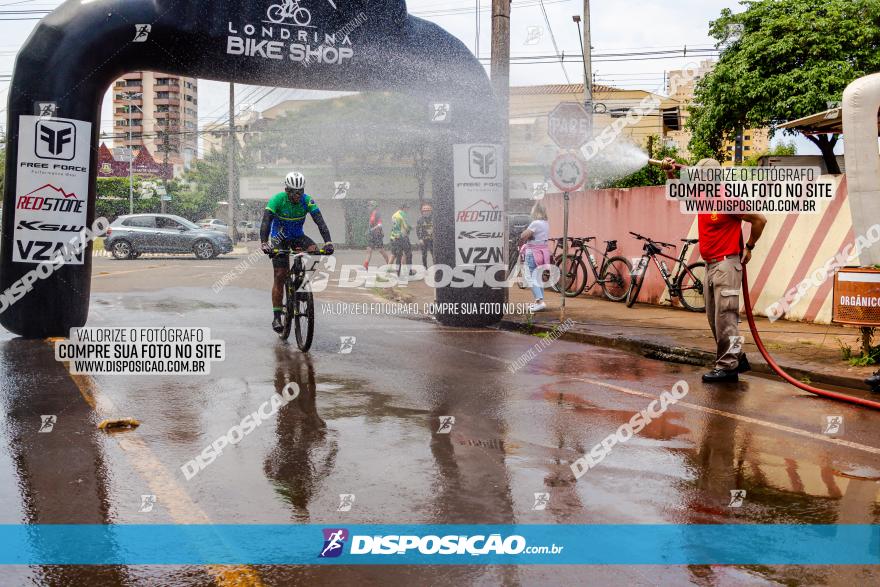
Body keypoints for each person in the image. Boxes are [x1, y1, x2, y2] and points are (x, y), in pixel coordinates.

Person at [662, 157, 767, 383]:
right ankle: (736, 357)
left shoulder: (726, 198)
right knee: (714, 318)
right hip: (710, 265)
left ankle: (728, 367)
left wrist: (749, 247)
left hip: (726, 264)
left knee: (725, 317)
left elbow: (759, 219)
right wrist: (670, 172)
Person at [261, 171, 334, 333]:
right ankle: (277, 316)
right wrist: (264, 243)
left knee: (314, 250)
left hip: (297, 237)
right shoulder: (277, 200)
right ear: (287, 190)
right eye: (294, 192)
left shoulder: (307, 201)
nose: (298, 195)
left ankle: (300, 283)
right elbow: (266, 221)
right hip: (279, 238)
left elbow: (320, 222)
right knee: (280, 274)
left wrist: (328, 242)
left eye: (300, 191)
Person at [518, 202, 552, 313]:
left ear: (535, 211)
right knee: (537, 277)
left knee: (530, 277)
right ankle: (539, 302)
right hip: (543, 252)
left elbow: (523, 235)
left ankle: (540, 301)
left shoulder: (535, 223)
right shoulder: (545, 223)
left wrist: (524, 232)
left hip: (533, 252)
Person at [363, 200, 391, 269]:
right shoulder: (371, 213)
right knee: (369, 249)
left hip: (377, 235)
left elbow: (380, 225)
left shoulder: (377, 213)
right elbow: (371, 225)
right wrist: (369, 230)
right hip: (372, 235)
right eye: (368, 205)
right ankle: (365, 265)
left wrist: (371, 230)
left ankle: (389, 265)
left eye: (370, 205)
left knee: (381, 251)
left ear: (374, 206)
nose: (368, 207)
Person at [389, 202, 412, 274]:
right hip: (402, 237)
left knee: (399, 255)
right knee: (409, 254)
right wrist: (411, 228)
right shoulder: (402, 214)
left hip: (395, 238)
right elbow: (406, 226)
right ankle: (409, 271)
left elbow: (396, 227)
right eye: (407, 208)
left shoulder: (394, 215)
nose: (408, 209)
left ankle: (398, 272)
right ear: (403, 208)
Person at [416, 202, 434, 267]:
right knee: (424, 255)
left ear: (431, 211)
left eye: (428, 211)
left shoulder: (434, 218)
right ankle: (425, 268)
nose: (426, 212)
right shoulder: (420, 220)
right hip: (424, 240)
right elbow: (418, 230)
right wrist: (420, 239)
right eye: (424, 211)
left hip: (432, 240)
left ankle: (436, 267)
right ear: (422, 212)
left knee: (434, 254)